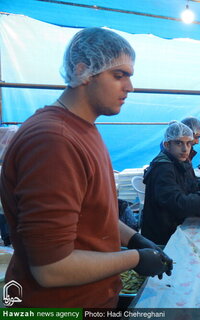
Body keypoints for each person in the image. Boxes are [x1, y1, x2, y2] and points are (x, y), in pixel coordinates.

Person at [0, 27, 173, 307]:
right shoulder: (53, 140)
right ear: (83, 71)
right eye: (119, 75)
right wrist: (135, 258)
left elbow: (93, 215)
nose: (130, 87)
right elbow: (50, 268)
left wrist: (135, 239)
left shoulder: (84, 129)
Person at [141, 121, 200, 245]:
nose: (185, 149)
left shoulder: (180, 162)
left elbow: (185, 186)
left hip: (175, 228)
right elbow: (179, 203)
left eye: (188, 143)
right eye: (179, 143)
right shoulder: (163, 168)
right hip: (163, 238)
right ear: (167, 145)